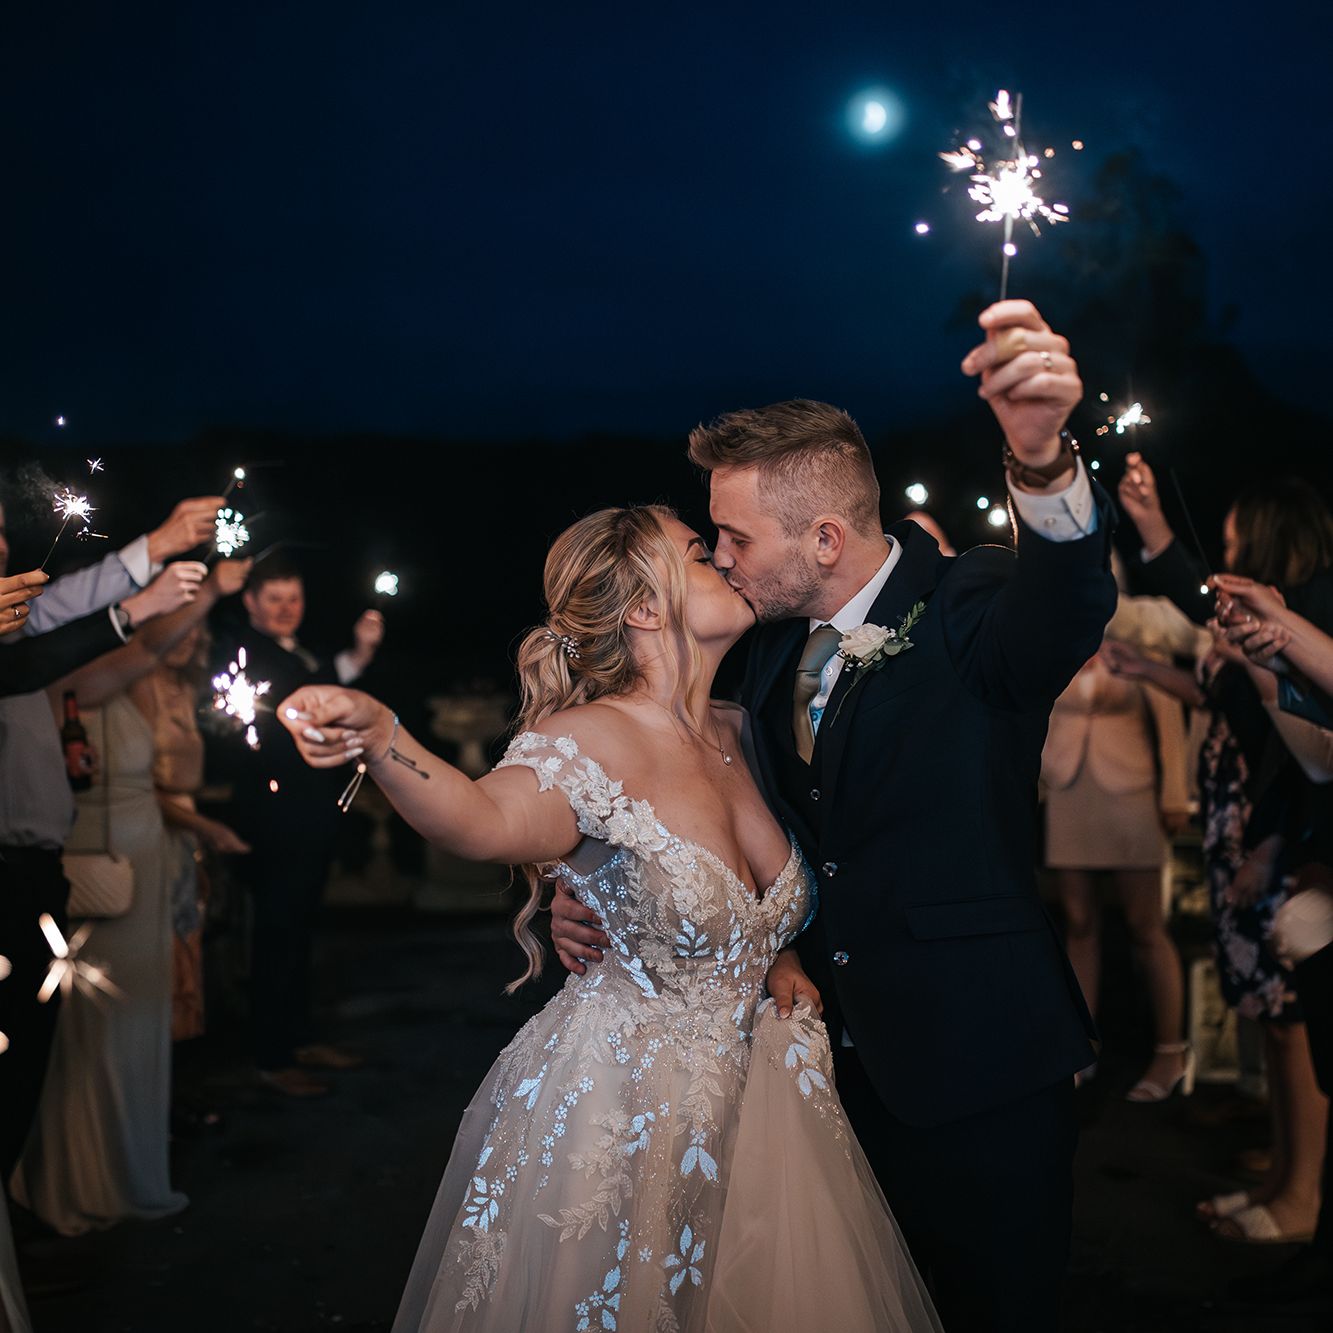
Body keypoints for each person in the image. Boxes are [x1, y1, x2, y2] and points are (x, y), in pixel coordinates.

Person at [553, 301, 1117, 1331]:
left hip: (974, 1067)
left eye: (734, 534)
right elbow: (666, 769)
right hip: (800, 1080)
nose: (719, 555)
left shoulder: (966, 605)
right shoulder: (761, 647)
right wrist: (583, 885)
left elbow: (1068, 599)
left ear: (822, 536)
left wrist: (1040, 463)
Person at [279, 505, 941, 1332]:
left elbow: (760, 894)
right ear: (643, 607)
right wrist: (383, 736)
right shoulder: (581, 741)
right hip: (624, 1110)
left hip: (770, 1111)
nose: (728, 563)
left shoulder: (744, 727)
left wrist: (778, 952)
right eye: (702, 554)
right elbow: (479, 821)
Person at [1119, 459, 1333, 1245]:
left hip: (1275, 827)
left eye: (1240, 530)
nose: (1230, 541)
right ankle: (1283, 1171)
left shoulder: (1304, 618)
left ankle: (1300, 1191)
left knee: (1291, 1013)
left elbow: (1304, 755)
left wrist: (1269, 841)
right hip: (1241, 823)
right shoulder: (1265, 619)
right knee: (1272, 1012)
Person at [10, 558, 248, 1236]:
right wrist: (208, 595)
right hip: (100, 863)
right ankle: (82, 1182)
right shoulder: (65, 682)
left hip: (141, 865)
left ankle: (127, 1164)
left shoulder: (128, 683)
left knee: (136, 1026)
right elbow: (148, 643)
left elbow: (153, 650)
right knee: (94, 1035)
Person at [212, 555, 385, 1095]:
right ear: (250, 602)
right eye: (275, 599)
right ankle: (272, 1056)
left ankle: (298, 1037)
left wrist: (360, 653)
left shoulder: (294, 650)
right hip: (274, 817)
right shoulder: (246, 656)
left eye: (294, 597)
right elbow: (296, 711)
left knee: (300, 928)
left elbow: (321, 687)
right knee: (277, 932)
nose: (287, 608)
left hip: (308, 813)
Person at [1044, 587, 1194, 1101]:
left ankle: (1171, 1051)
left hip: (1131, 793)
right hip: (1068, 791)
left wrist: (1177, 792)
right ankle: (1082, 1048)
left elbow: (1171, 722)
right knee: (1078, 923)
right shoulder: (1054, 627)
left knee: (1145, 925)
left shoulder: (1137, 632)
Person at [137, 623, 251, 1042]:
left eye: (194, 631)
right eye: (178, 629)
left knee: (190, 946)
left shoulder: (189, 689)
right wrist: (207, 827)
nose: (187, 639)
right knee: (165, 954)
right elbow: (140, 785)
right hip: (155, 831)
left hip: (186, 832)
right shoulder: (139, 688)